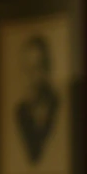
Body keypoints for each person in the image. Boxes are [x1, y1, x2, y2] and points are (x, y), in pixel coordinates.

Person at [14, 34, 60, 164]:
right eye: (28, 69)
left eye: (38, 68)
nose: (32, 77)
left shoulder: (58, 108)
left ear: (47, 69)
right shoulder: (20, 113)